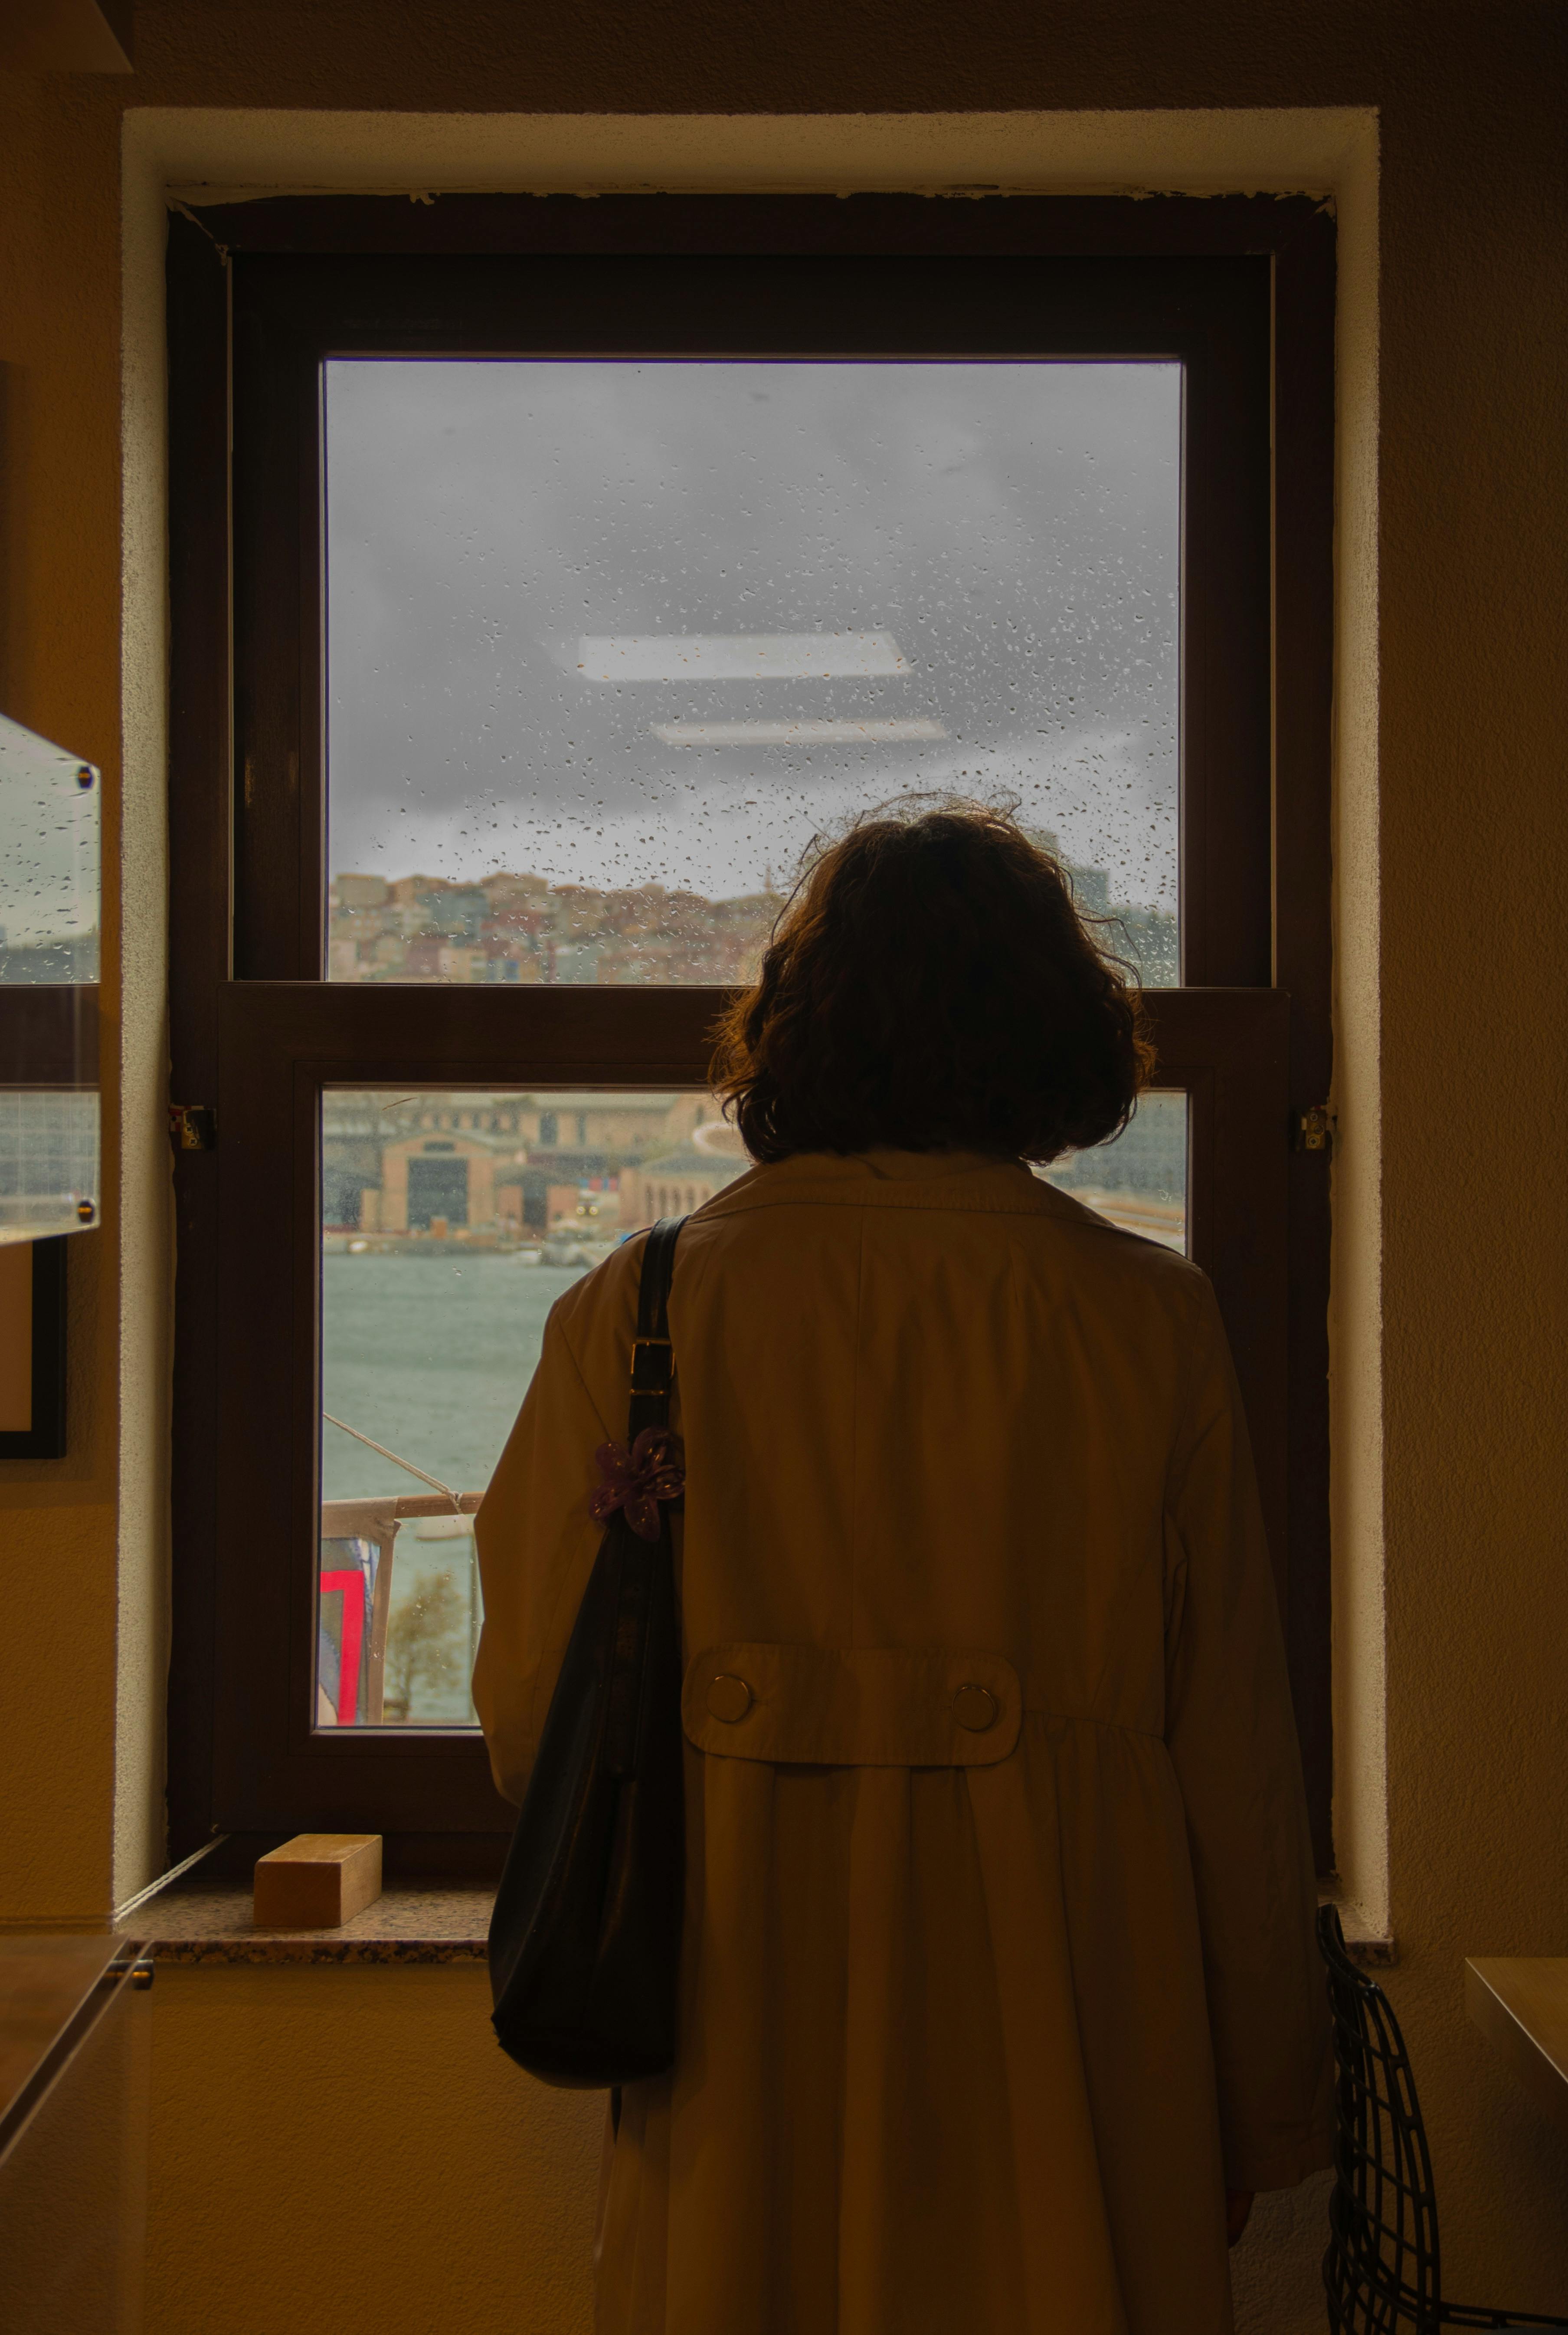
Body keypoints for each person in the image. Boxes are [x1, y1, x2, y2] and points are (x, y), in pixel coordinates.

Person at [474, 800, 1332, 2335]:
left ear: (796, 1028)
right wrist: (1260, 2104)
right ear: (1061, 1031)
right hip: (1076, 1996)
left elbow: (542, 1709)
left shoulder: (642, 1303)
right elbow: (1237, 1760)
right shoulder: (1150, 1320)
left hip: (742, 1995)